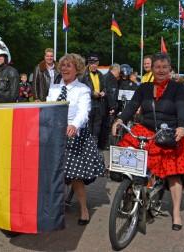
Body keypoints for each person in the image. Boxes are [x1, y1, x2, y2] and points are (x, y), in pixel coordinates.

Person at [112, 52, 184, 231]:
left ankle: (176, 212)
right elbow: (131, 106)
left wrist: (182, 126)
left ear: (170, 69)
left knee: (174, 173)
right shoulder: (143, 87)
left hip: (169, 132)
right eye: (157, 67)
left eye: (164, 67)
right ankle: (131, 193)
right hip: (146, 129)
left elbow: (182, 109)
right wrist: (120, 119)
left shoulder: (178, 88)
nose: (161, 70)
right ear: (152, 69)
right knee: (129, 162)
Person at [47, 53, 105, 225]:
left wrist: (74, 125)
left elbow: (83, 112)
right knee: (54, 173)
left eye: (69, 66)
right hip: (55, 135)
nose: (64, 68)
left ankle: (84, 210)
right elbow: (49, 108)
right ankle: (55, 205)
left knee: (75, 175)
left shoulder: (83, 89)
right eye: (63, 65)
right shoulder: (54, 88)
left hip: (74, 135)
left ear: (77, 69)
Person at [80, 54, 106, 145]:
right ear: (89, 64)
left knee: (97, 125)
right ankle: (87, 144)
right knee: (88, 125)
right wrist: (92, 93)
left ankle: (94, 145)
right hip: (89, 102)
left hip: (99, 103)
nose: (94, 65)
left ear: (98, 63)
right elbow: (81, 88)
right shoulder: (84, 75)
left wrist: (103, 92)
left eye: (95, 63)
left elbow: (104, 87)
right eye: (92, 63)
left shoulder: (100, 74)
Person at [99, 63, 120, 150]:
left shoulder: (104, 77)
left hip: (103, 106)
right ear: (115, 70)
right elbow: (111, 94)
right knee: (106, 127)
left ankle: (101, 144)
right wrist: (112, 107)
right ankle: (104, 145)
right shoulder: (111, 79)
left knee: (103, 126)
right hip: (107, 107)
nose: (119, 74)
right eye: (119, 72)